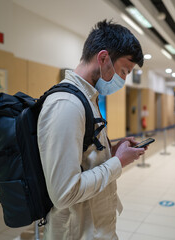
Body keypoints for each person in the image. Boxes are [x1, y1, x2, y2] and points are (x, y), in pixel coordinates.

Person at [37, 20, 146, 239]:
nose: (123, 80)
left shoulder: (87, 99)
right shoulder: (66, 105)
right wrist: (118, 162)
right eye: (124, 71)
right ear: (103, 58)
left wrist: (111, 151)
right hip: (76, 231)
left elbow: (84, 158)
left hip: (95, 227)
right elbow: (64, 194)